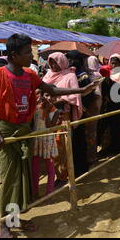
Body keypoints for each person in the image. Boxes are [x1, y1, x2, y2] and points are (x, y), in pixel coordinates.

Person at [0, 33, 95, 238]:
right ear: (13, 55)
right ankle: (4, 226)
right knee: (10, 179)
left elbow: (52, 89)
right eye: (26, 53)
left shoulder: (30, 75)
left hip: (24, 131)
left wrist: (81, 90)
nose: (31, 56)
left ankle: (15, 219)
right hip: (4, 134)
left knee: (23, 179)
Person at [43, 52, 90, 183]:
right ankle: (55, 174)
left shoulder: (70, 75)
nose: (53, 65)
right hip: (47, 116)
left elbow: (75, 96)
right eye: (51, 62)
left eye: (55, 62)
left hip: (62, 115)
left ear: (62, 62)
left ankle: (63, 176)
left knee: (62, 147)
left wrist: (59, 100)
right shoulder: (47, 75)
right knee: (51, 147)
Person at [66, 51, 102, 166]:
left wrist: (82, 108)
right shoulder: (75, 74)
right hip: (81, 110)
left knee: (89, 134)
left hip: (87, 110)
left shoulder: (84, 75)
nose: (70, 62)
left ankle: (90, 158)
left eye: (71, 60)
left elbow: (90, 95)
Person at [31, 90, 60, 198]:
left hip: (48, 140)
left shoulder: (56, 111)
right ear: (42, 95)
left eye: (53, 96)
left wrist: (47, 112)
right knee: (35, 166)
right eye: (47, 95)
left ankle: (49, 192)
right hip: (37, 139)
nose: (49, 98)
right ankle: (35, 192)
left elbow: (49, 125)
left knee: (50, 167)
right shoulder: (35, 108)